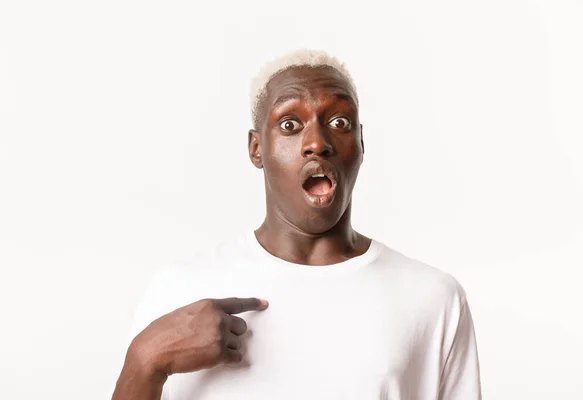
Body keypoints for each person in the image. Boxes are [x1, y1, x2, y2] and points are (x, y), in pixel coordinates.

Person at [111, 49, 482, 400]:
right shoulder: (178, 288)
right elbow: (144, 367)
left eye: (339, 122)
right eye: (290, 124)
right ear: (257, 149)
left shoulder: (432, 297)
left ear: (361, 143)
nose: (317, 143)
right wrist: (146, 361)